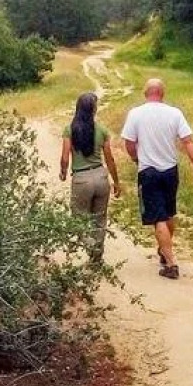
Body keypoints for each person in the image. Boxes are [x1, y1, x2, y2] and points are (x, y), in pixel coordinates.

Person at [121, 78, 193, 279]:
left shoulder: (135, 114)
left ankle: (170, 264)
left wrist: (135, 157)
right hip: (170, 170)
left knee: (158, 217)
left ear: (145, 93)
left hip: (148, 170)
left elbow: (129, 142)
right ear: (163, 93)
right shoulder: (175, 113)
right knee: (169, 213)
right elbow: (188, 142)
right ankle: (164, 248)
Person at [59, 92, 121, 264]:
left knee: (78, 220)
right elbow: (110, 158)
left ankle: (91, 246)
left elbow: (65, 156)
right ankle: (97, 258)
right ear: (94, 110)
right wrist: (116, 181)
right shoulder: (102, 130)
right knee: (99, 219)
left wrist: (63, 171)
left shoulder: (69, 129)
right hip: (101, 177)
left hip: (81, 179)